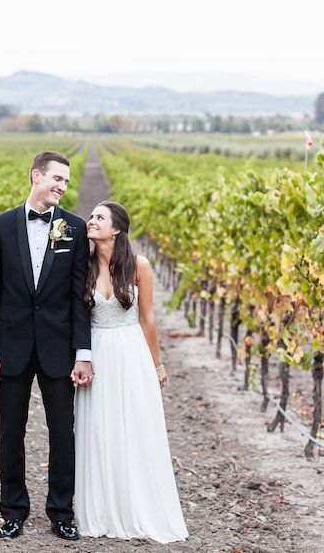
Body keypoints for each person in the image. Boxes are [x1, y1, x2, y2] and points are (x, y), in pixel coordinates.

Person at [0, 150, 93, 541]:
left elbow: (80, 298)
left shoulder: (74, 229)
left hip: (59, 348)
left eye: (66, 180)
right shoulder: (1, 225)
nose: (62, 186)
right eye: (56, 178)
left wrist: (83, 353)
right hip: (10, 347)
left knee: (63, 432)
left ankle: (61, 512)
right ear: (35, 176)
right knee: (11, 432)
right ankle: (12, 511)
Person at [74, 201, 188, 543]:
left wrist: (157, 364)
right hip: (97, 352)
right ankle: (100, 510)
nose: (91, 221)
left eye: (99, 217)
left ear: (117, 228)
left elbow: (147, 319)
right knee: (98, 428)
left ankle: (137, 507)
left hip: (131, 353)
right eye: (91, 216)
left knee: (134, 427)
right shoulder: (85, 265)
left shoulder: (139, 265)